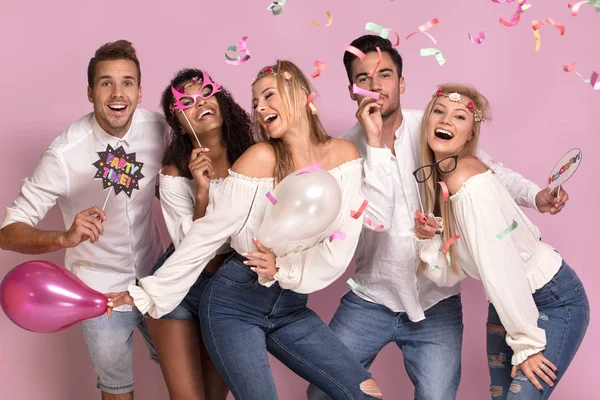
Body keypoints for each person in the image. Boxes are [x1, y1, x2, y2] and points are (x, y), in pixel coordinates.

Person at [107, 60, 393, 400]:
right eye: (255, 102)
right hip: (233, 304)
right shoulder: (259, 159)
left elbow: (376, 217)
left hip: (290, 304)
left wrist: (374, 141)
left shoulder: (345, 155)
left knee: (364, 391)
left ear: (303, 95)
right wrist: (148, 292)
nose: (259, 108)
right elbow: (207, 234)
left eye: (268, 96)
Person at [307, 35, 570, 400]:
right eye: (363, 78)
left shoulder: (434, 126)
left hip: (437, 302)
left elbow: (488, 171)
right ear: (352, 90)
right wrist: (373, 144)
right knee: (321, 391)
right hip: (371, 299)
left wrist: (535, 196)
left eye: (384, 75)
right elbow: (372, 218)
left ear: (401, 83)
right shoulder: (345, 152)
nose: (375, 85)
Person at [0, 40, 165, 399]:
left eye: (127, 82)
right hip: (99, 291)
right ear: (90, 92)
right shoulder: (64, 154)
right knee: (117, 389)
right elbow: (7, 233)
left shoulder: (159, 129)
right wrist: (64, 238)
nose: (117, 92)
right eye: (106, 82)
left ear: (139, 91)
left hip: (157, 279)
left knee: (191, 373)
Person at [413, 83, 589, 399]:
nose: (446, 121)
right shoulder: (445, 179)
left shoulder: (468, 184)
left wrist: (527, 343)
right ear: (427, 120)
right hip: (507, 302)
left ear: (470, 135)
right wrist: (433, 237)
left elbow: (501, 263)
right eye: (439, 112)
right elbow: (453, 271)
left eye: (459, 117)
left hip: (551, 298)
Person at [147, 67, 254, 400]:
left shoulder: (255, 158)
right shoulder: (174, 175)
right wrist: (203, 193)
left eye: (206, 92)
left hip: (228, 290)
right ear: (179, 124)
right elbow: (199, 259)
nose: (200, 103)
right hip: (180, 288)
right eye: (187, 102)